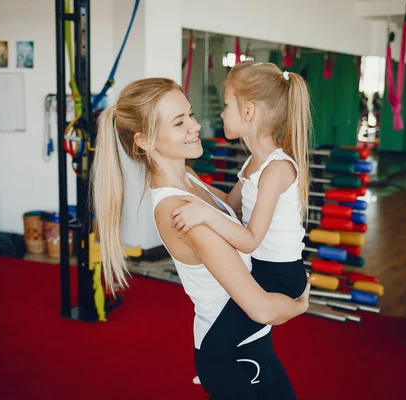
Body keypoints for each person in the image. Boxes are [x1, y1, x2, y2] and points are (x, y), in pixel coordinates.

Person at [91, 77, 313, 399]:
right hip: (231, 353)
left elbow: (239, 209)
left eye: (190, 114)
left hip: (250, 339)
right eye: (179, 122)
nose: (195, 126)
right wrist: (300, 304)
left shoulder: (190, 180)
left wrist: (265, 162)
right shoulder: (179, 211)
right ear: (145, 141)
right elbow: (262, 309)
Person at [171, 60, 312, 301]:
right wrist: (189, 178)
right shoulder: (253, 163)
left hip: (281, 275)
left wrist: (203, 214)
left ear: (248, 111)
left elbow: (250, 240)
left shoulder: (276, 169)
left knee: (218, 338)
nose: (222, 113)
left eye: (227, 105)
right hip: (258, 267)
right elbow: (229, 202)